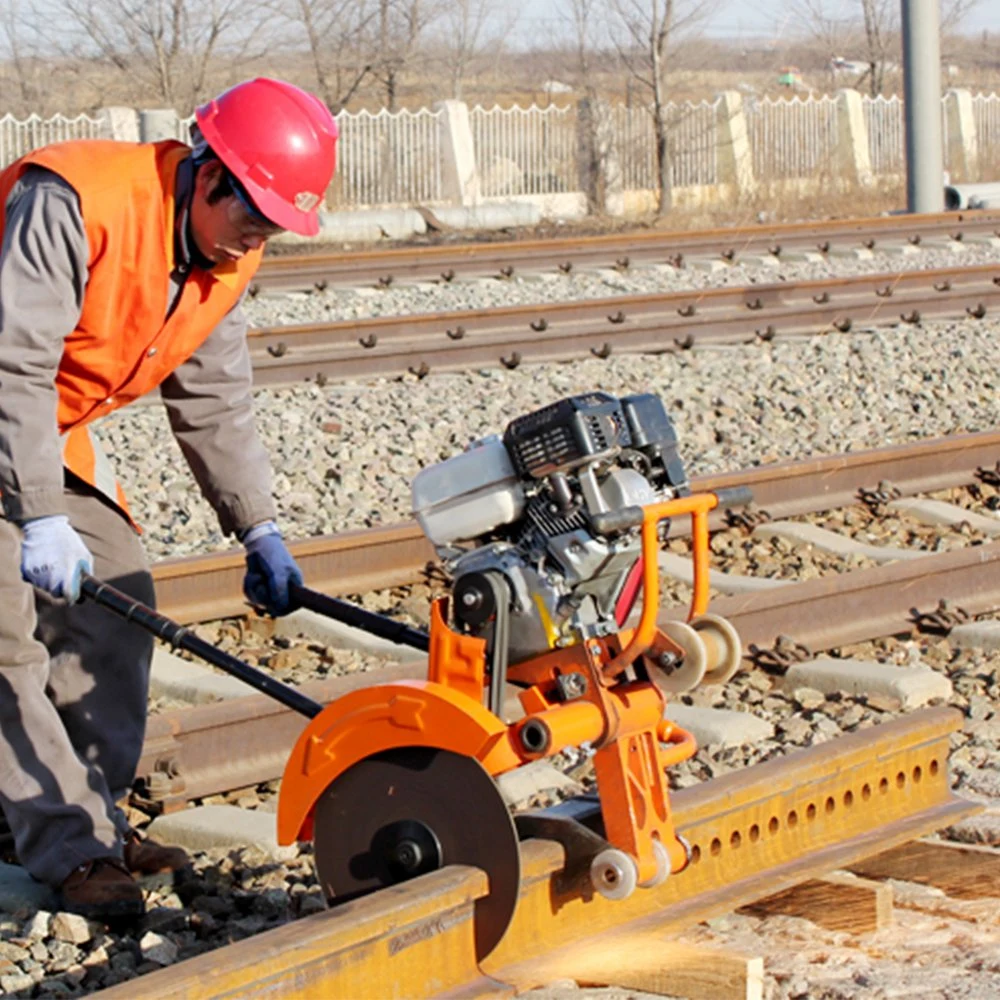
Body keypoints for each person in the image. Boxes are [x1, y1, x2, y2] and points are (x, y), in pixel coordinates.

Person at [0, 77, 339, 919]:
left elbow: (215, 398)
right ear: (209, 171)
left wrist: (257, 525)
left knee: (118, 594)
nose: (254, 239)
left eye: (272, 226)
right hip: (11, 400)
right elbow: (14, 364)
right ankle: (67, 848)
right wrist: (39, 511)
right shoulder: (72, 200)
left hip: (39, 427)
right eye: (251, 214)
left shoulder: (225, 254)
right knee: (5, 636)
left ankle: (86, 818)